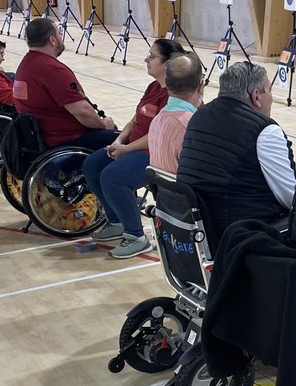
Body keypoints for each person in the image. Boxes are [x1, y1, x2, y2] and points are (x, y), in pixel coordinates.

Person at [177, 61, 296, 248]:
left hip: (198, 234)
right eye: (270, 91)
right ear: (256, 96)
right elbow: (293, 199)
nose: (272, 98)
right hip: (241, 239)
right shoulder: (265, 131)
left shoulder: (198, 117)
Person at [84, 39, 185, 259]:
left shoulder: (172, 93)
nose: (146, 60)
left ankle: (136, 236)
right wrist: (119, 141)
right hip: (131, 146)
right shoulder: (153, 87)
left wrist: (127, 149)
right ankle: (117, 221)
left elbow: (159, 133)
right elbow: (134, 119)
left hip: (154, 152)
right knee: (92, 165)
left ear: (167, 63)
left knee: (113, 176)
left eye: (152, 56)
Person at [13, 18, 117, 150]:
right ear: (52, 39)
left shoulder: (26, 64)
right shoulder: (51, 69)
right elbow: (82, 111)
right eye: (59, 33)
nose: (61, 37)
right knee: (126, 139)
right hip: (65, 140)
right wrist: (103, 125)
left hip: (40, 137)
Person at [148, 52, 203, 173]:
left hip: (162, 191)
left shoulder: (156, 120)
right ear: (200, 85)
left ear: (166, 83)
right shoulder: (192, 126)